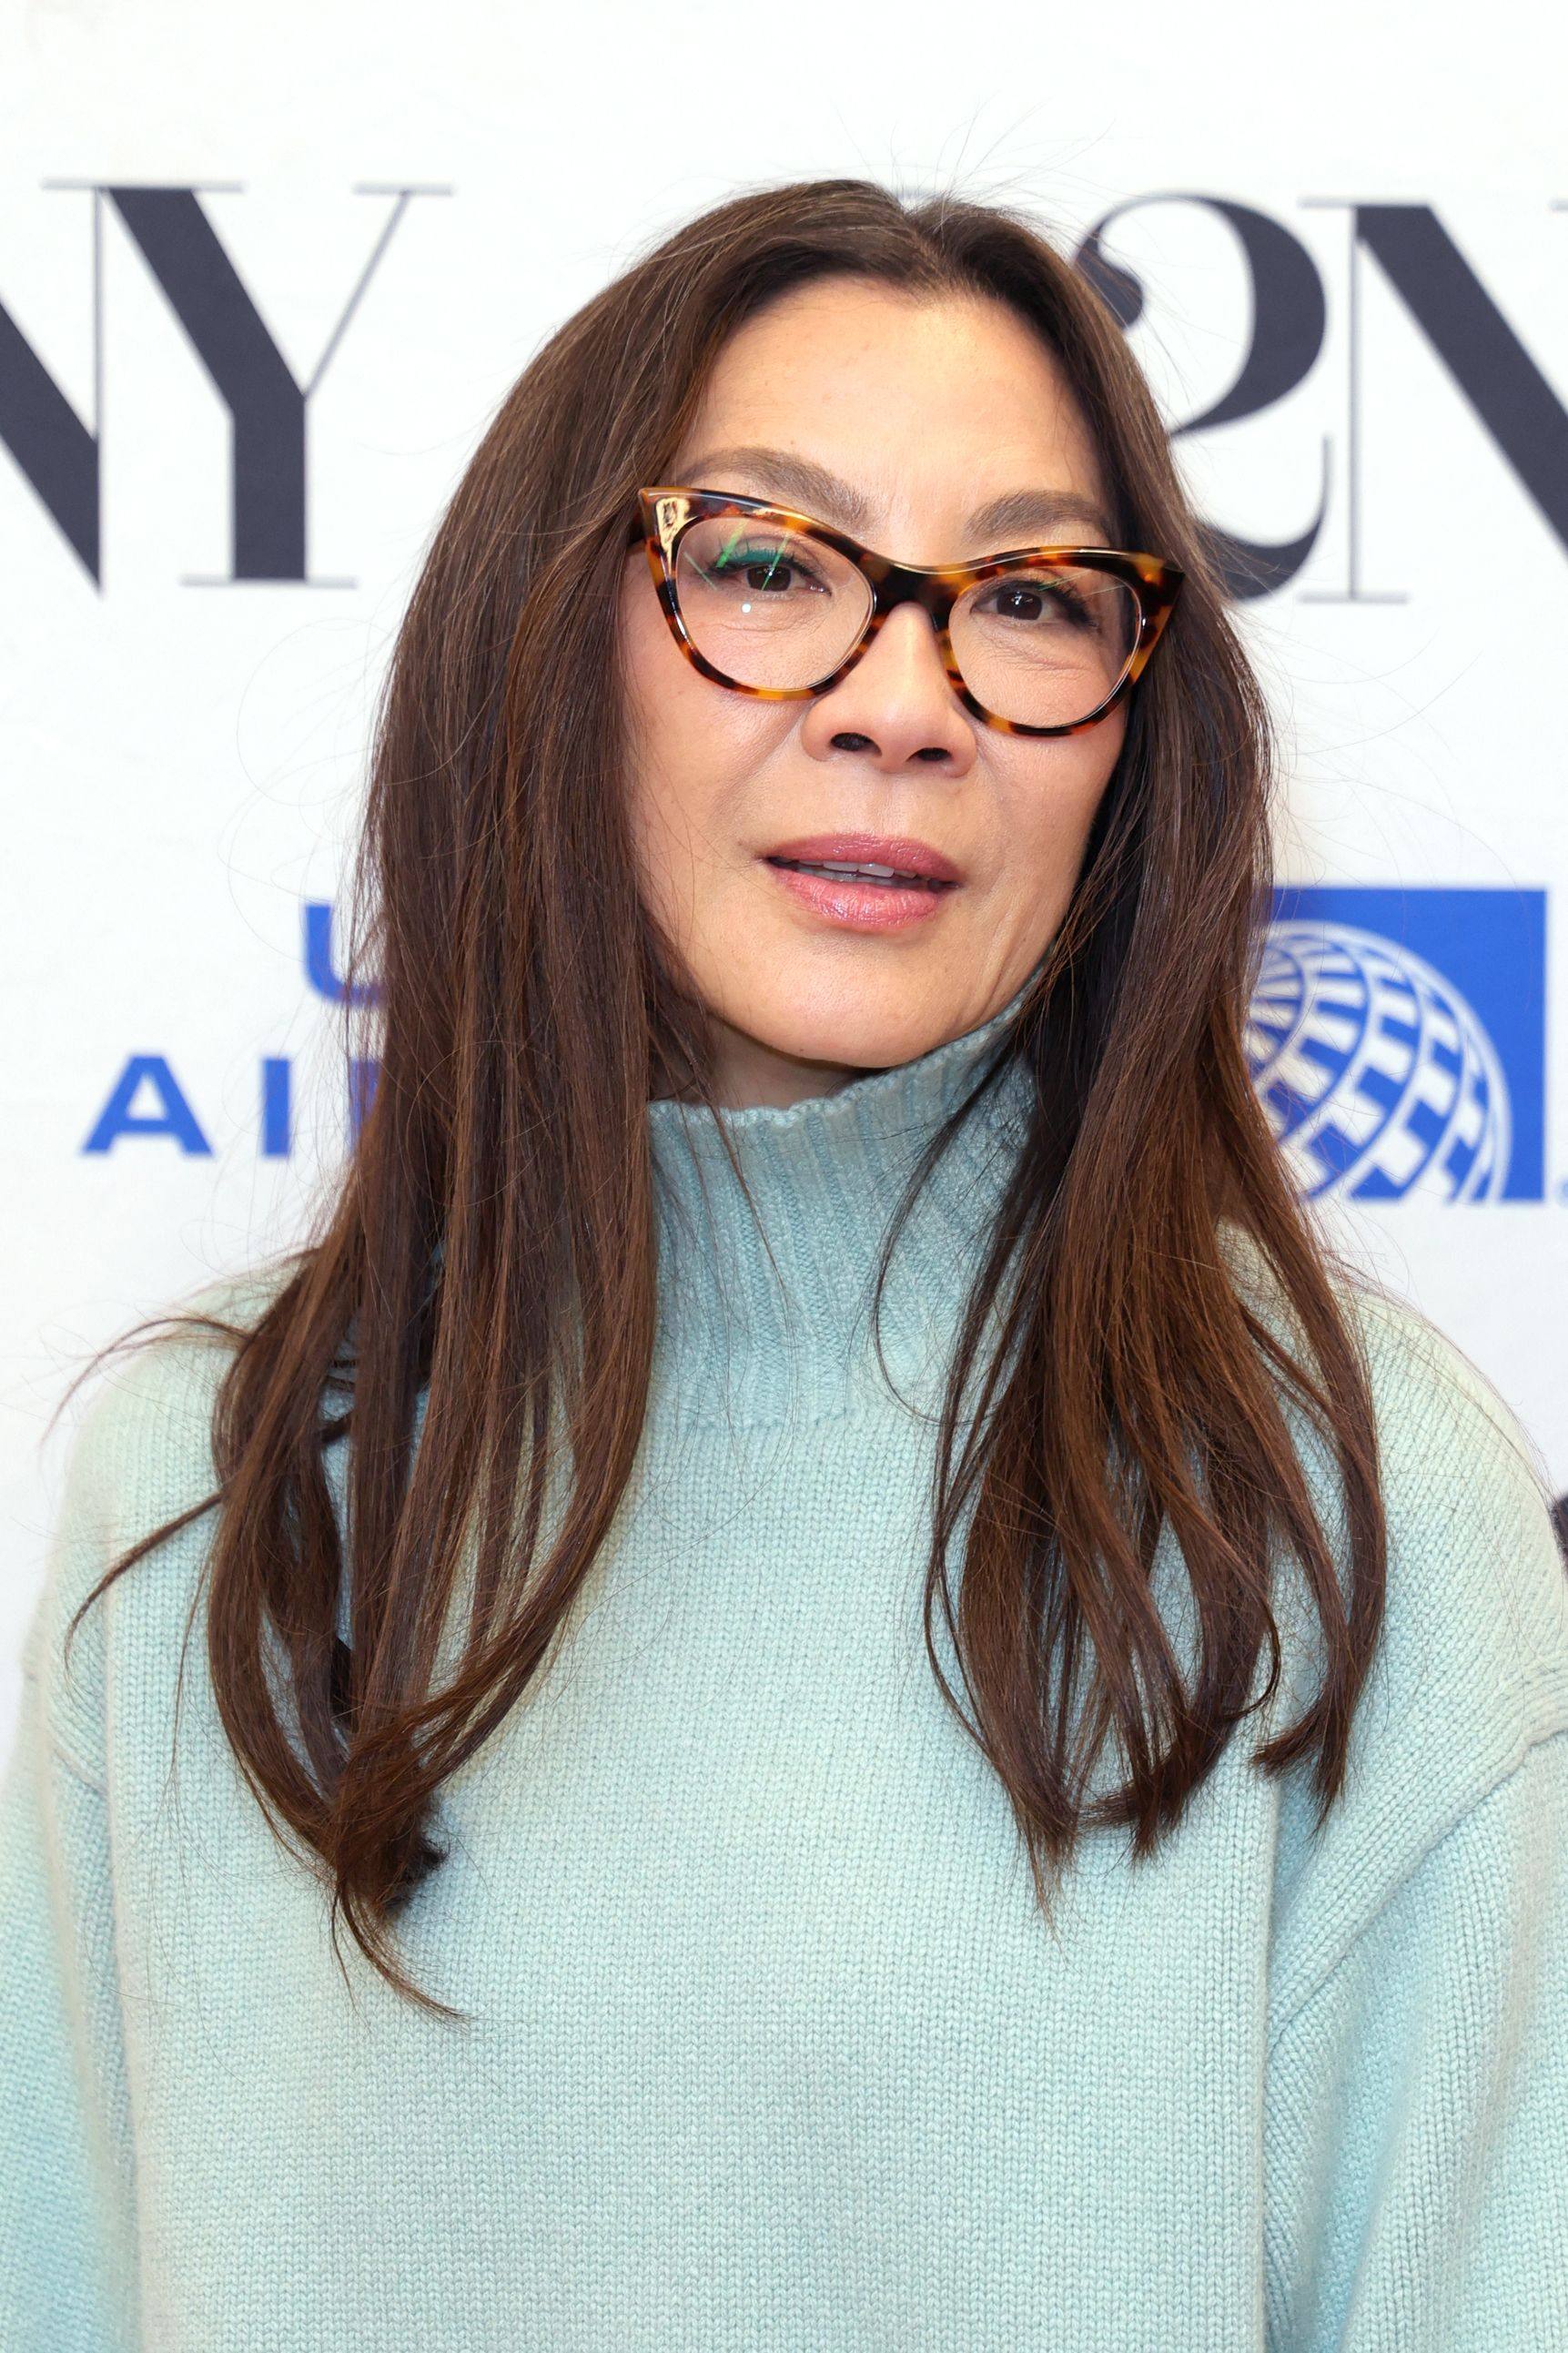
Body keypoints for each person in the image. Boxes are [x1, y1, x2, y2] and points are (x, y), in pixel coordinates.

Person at [3, 175, 1566, 2352]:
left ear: (1130, 727)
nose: (901, 699)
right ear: (548, 644)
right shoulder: (210, 1485)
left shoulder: (1357, 1506)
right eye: (762, 564)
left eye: (1024, 597)